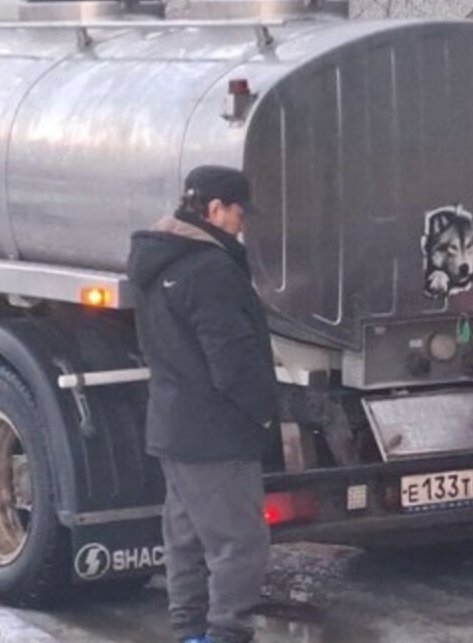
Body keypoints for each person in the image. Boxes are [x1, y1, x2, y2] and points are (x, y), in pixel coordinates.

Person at [127, 165, 278, 643]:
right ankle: (227, 635)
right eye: (238, 212)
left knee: (187, 542)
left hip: (174, 426)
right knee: (239, 545)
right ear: (215, 208)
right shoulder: (210, 269)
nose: (241, 224)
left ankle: (191, 633)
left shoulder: (159, 260)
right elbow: (232, 360)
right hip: (217, 434)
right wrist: (266, 411)